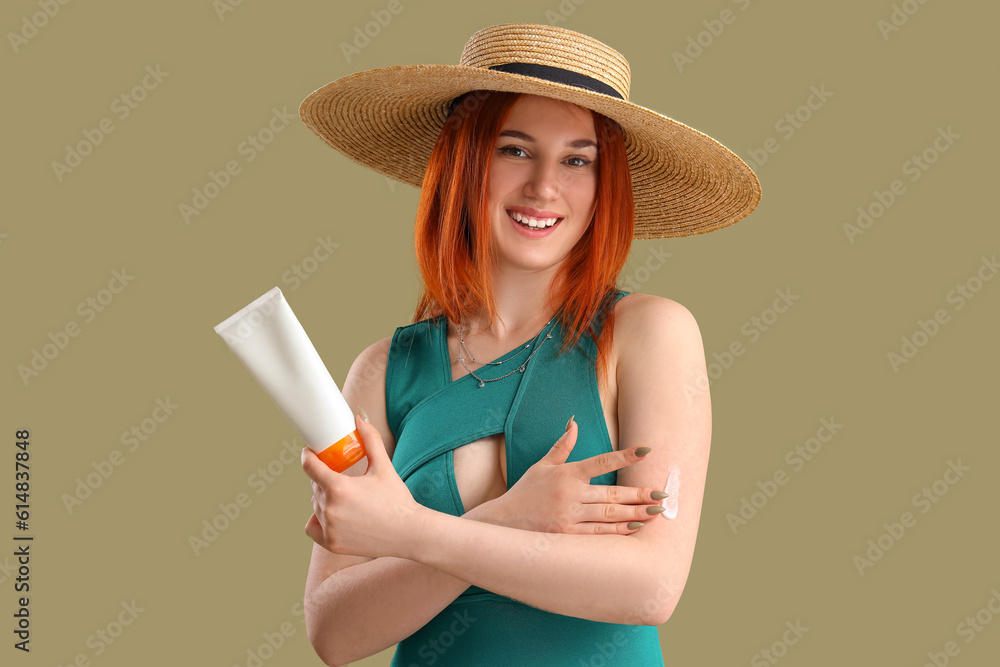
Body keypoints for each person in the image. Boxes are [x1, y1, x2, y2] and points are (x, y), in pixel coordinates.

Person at [297, 23, 760, 666]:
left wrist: (412, 534)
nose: (545, 186)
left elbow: (650, 586)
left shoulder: (650, 333)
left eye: (577, 160)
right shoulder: (381, 373)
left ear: (605, 185)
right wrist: (503, 522)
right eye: (515, 150)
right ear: (464, 161)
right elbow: (334, 633)